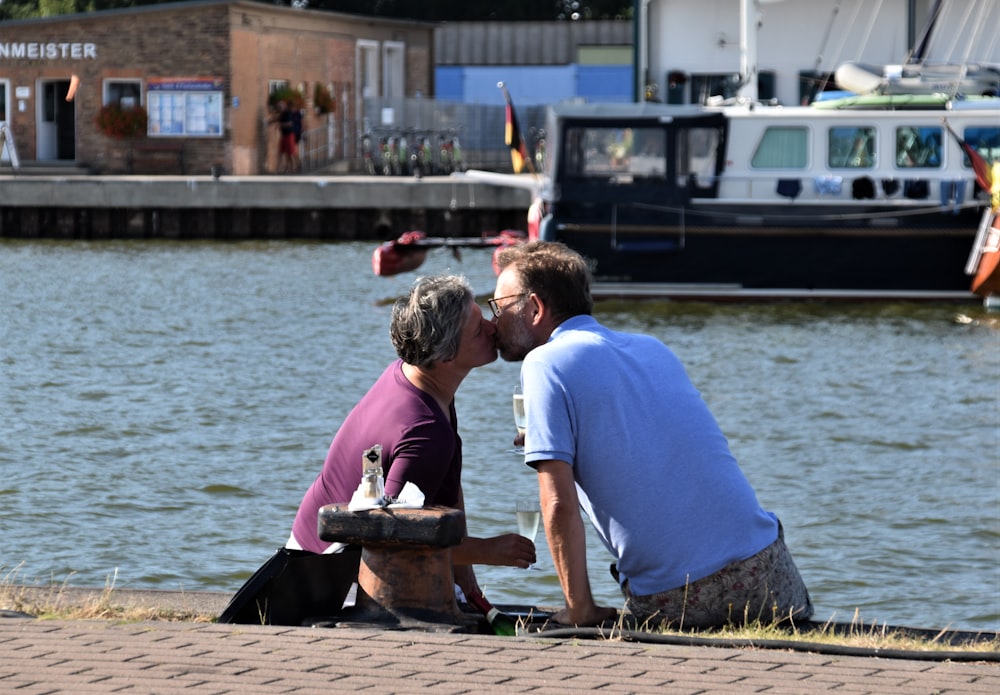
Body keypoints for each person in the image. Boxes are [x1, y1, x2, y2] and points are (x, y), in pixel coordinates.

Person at [490, 241, 813, 630]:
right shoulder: (652, 347)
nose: (493, 322)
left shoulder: (544, 362)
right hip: (770, 574)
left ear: (536, 308)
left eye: (499, 307)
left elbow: (557, 502)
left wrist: (580, 610)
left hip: (681, 595)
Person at [288, 274, 535, 599]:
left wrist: (467, 583)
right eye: (477, 330)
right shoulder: (426, 431)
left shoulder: (410, 374)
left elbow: (446, 489)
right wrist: (488, 551)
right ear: (446, 356)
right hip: (336, 582)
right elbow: (395, 541)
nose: (492, 326)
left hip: (302, 556)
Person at [270, 100, 297, 173]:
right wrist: (269, 122)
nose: (279, 110)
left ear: (283, 107)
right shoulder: (282, 114)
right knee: (283, 152)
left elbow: (289, 123)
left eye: (280, 108)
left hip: (289, 135)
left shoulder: (288, 113)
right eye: (278, 108)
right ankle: (286, 168)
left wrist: (280, 125)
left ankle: (293, 168)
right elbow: (277, 119)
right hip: (284, 135)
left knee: (290, 153)